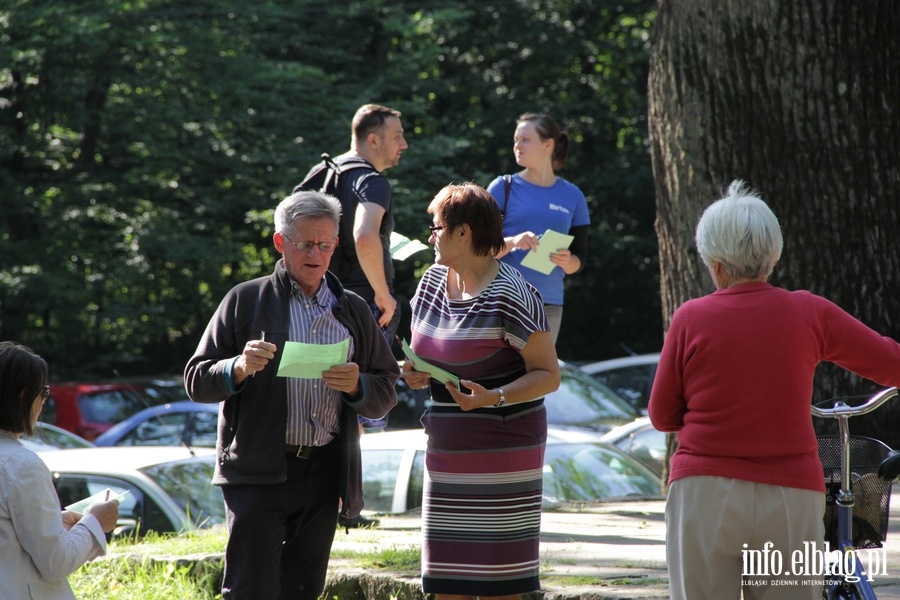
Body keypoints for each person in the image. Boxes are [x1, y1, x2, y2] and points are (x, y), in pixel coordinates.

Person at [647, 180, 900, 600]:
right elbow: (890, 361)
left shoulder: (691, 317)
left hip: (706, 490)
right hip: (791, 492)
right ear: (774, 254)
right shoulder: (809, 311)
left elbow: (662, 416)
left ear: (716, 264)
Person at [183, 190, 399, 600]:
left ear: (336, 245)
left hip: (324, 473)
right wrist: (238, 368)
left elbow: (386, 388)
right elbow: (196, 379)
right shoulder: (246, 300)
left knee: (304, 589)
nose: (315, 253)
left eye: (325, 244)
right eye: (304, 244)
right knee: (251, 590)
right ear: (281, 243)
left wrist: (358, 385)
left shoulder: (352, 308)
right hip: (260, 470)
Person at [402, 183, 561, 599]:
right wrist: (416, 373)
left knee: (501, 583)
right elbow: (424, 353)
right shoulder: (431, 283)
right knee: (445, 581)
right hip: (447, 449)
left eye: (436, 226)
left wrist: (495, 397)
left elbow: (548, 375)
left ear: (463, 232)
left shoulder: (514, 293)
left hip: (505, 451)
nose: (430, 235)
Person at [0, 341, 119, 600]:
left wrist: (59, 524)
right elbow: (56, 562)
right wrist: (95, 522)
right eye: (42, 392)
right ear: (22, 395)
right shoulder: (23, 465)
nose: (44, 402)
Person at [486, 112, 590, 343]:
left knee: (538, 378)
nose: (517, 146)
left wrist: (567, 260)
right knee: (500, 377)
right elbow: (481, 250)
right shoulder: (502, 187)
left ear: (548, 145)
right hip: (504, 300)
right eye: (516, 140)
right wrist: (513, 242)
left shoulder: (573, 196)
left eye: (525, 139)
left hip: (549, 305)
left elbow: (580, 259)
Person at [321, 103, 408, 344]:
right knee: (367, 380)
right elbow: (364, 235)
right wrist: (383, 295)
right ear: (373, 140)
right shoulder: (373, 182)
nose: (404, 144)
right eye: (397, 136)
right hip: (362, 308)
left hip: (316, 303)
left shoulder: (323, 172)